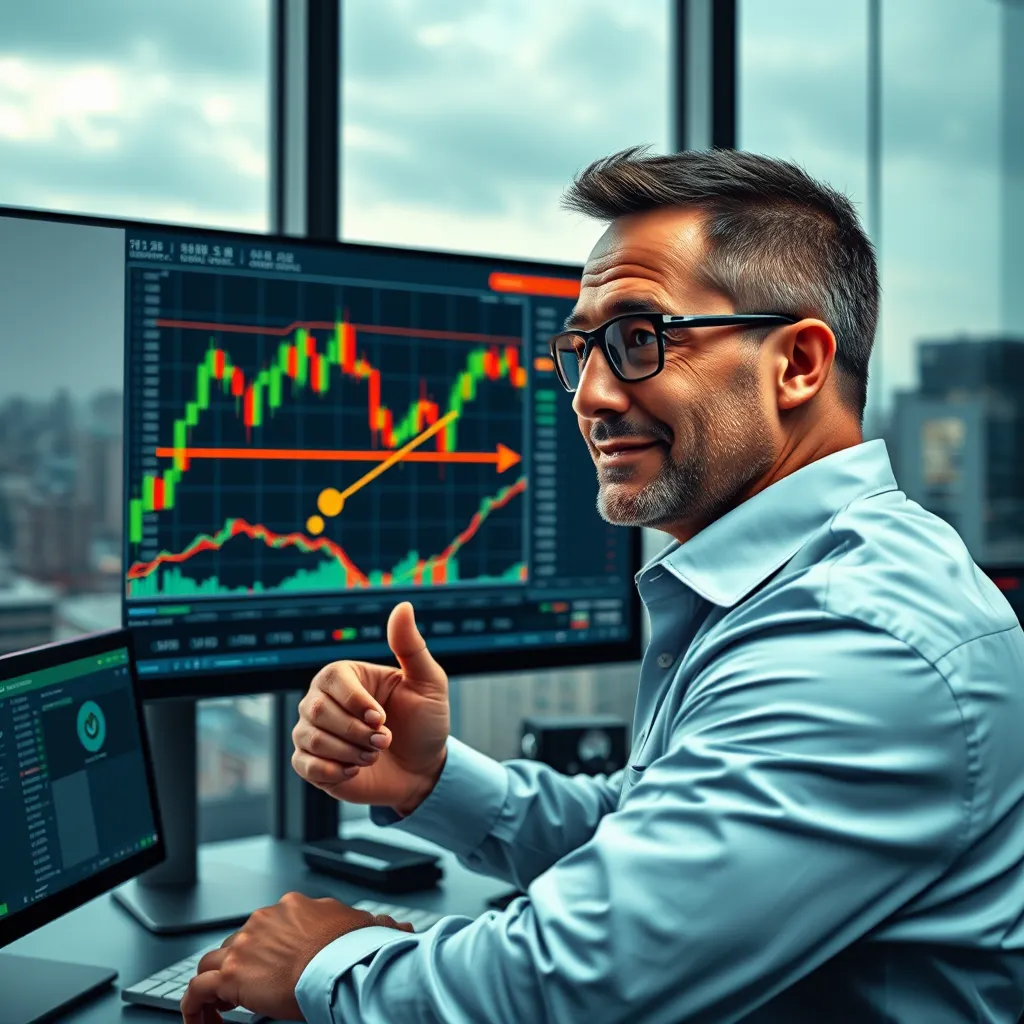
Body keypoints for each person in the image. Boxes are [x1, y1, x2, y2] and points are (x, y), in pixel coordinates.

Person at [182, 147, 1024, 1024]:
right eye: (580, 349)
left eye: (636, 339)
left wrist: (329, 963)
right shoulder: (794, 585)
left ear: (798, 365)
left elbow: (572, 988)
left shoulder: (856, 641)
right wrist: (427, 777)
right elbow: (660, 835)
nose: (588, 395)